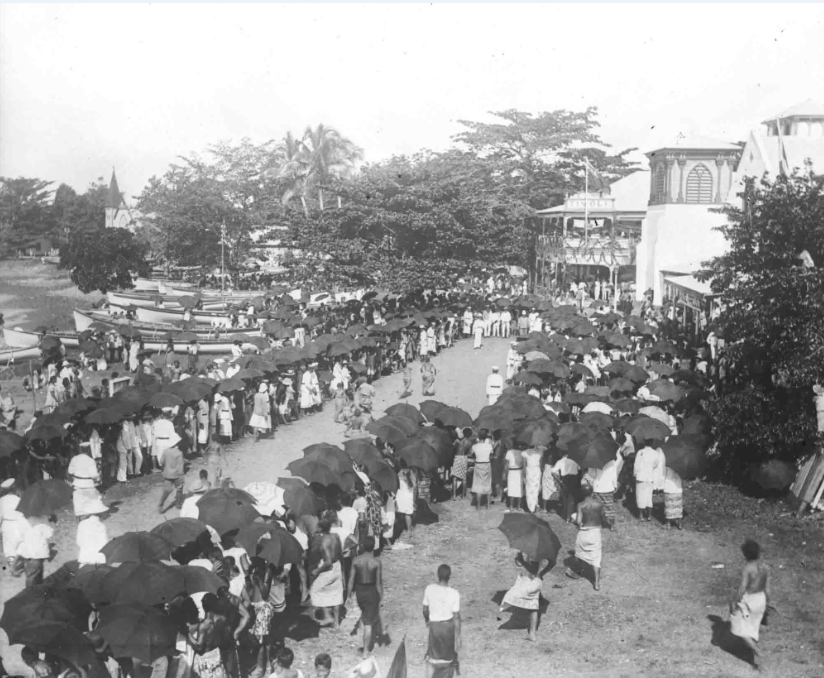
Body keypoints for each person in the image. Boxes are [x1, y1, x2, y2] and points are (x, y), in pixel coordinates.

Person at [729, 540, 771, 670]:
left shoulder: (748, 568)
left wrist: (734, 602)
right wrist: (767, 604)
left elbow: (742, 588)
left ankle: (757, 652)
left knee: (738, 627)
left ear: (745, 555)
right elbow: (768, 589)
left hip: (750, 599)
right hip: (761, 599)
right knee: (753, 626)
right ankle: (757, 661)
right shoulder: (765, 567)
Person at [346, 535, 384, 658]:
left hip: (360, 591)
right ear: (373, 547)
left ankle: (365, 637)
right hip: (371, 590)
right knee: (368, 623)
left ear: (362, 546)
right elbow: (378, 583)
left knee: (365, 615)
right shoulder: (376, 562)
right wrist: (381, 597)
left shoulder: (356, 560)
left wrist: (348, 596)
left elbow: (351, 579)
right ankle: (366, 651)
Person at [422, 564, 461, 678]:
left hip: (434, 626)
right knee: (447, 658)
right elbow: (456, 617)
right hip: (448, 627)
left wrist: (427, 620)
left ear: (438, 575)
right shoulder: (454, 593)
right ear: (449, 576)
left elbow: (425, 609)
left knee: (433, 658)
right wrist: (458, 635)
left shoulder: (429, 589)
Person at [565, 485, 604, 591]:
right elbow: (602, 517)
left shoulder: (581, 505)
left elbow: (578, 522)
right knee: (596, 558)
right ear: (592, 492)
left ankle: (578, 570)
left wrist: (574, 520)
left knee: (579, 553)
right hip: (595, 532)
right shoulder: (599, 504)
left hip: (584, 532)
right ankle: (596, 583)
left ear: (582, 494)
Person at [500, 553, 543, 642]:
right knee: (532, 607)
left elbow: (534, 570)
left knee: (512, 595)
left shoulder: (534, 552)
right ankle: (532, 634)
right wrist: (520, 560)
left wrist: (522, 561)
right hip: (534, 581)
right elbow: (550, 564)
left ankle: (532, 634)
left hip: (531, 582)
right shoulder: (534, 550)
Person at [309, 519, 344, 628]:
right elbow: (340, 552)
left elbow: (328, 562)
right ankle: (337, 622)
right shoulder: (336, 536)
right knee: (336, 593)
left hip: (328, 568)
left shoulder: (324, 541)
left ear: (320, 528)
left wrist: (316, 571)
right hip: (337, 565)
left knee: (315, 590)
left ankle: (328, 615)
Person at [13, 514, 55, 587]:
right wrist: (52, 523)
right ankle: (33, 591)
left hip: (26, 552)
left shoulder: (23, 521)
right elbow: (49, 534)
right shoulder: (43, 522)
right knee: (36, 573)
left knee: (30, 573)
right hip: (37, 554)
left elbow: (18, 537)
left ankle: (33, 589)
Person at [67, 445, 106, 518]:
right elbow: (94, 476)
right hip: (88, 485)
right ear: (88, 450)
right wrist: (99, 477)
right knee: (91, 507)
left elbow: (70, 472)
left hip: (77, 485)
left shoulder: (74, 459)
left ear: (80, 450)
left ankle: (79, 524)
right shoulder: (91, 460)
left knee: (78, 508)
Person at [158, 433, 185, 513]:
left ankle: (161, 503)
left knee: (167, 490)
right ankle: (178, 504)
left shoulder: (166, 451)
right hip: (177, 474)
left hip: (167, 474)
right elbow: (180, 466)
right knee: (179, 489)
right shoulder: (179, 453)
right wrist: (181, 476)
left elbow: (161, 462)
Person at [634, 440, 660, 522]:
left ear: (644, 442)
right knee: (649, 496)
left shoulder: (640, 452)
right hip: (650, 477)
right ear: (652, 443)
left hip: (641, 476)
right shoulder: (655, 453)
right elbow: (656, 465)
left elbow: (636, 465)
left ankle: (641, 515)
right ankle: (649, 516)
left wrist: (635, 474)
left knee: (640, 496)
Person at [0, 479, 24, 567]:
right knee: (18, 543)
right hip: (17, 524)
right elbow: (22, 514)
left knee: (8, 545)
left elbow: (0, 514)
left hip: (6, 525)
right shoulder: (19, 499)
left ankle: (11, 561)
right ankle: (18, 560)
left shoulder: (2, 500)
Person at [469, 430, 493, 511]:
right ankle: (488, 505)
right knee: (488, 483)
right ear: (486, 437)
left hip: (478, 464)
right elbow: (491, 455)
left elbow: (472, 454)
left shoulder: (474, 446)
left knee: (478, 485)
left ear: (478, 437)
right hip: (487, 464)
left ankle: (478, 506)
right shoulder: (489, 446)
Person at [395, 462, 417, 540]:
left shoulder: (398, 472)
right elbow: (414, 486)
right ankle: (408, 530)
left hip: (401, 494)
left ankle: (406, 529)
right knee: (407, 514)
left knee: (402, 513)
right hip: (408, 495)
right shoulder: (411, 472)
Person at [522, 446, 543, 514]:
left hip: (530, 470)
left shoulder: (525, 452)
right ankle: (534, 506)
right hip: (536, 470)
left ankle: (531, 507)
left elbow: (524, 465)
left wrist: (524, 474)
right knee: (535, 489)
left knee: (529, 489)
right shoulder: (540, 452)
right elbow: (541, 463)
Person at [504, 445, 523, 511]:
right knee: (519, 488)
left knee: (511, 488)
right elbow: (523, 464)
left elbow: (506, 464)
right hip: (519, 471)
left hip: (511, 471)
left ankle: (511, 506)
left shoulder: (509, 452)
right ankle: (518, 506)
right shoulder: (521, 452)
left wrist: (505, 473)